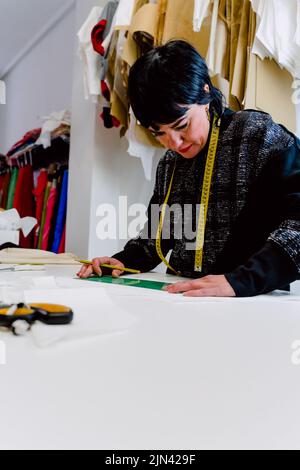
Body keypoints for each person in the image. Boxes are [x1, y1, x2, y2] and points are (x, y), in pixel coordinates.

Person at [78, 40, 300, 297]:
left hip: (250, 304)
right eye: (158, 132)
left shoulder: (259, 137)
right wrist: (124, 261)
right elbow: (158, 239)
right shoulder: (170, 163)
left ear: (205, 93)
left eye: (182, 125)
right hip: (184, 299)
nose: (173, 142)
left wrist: (240, 280)